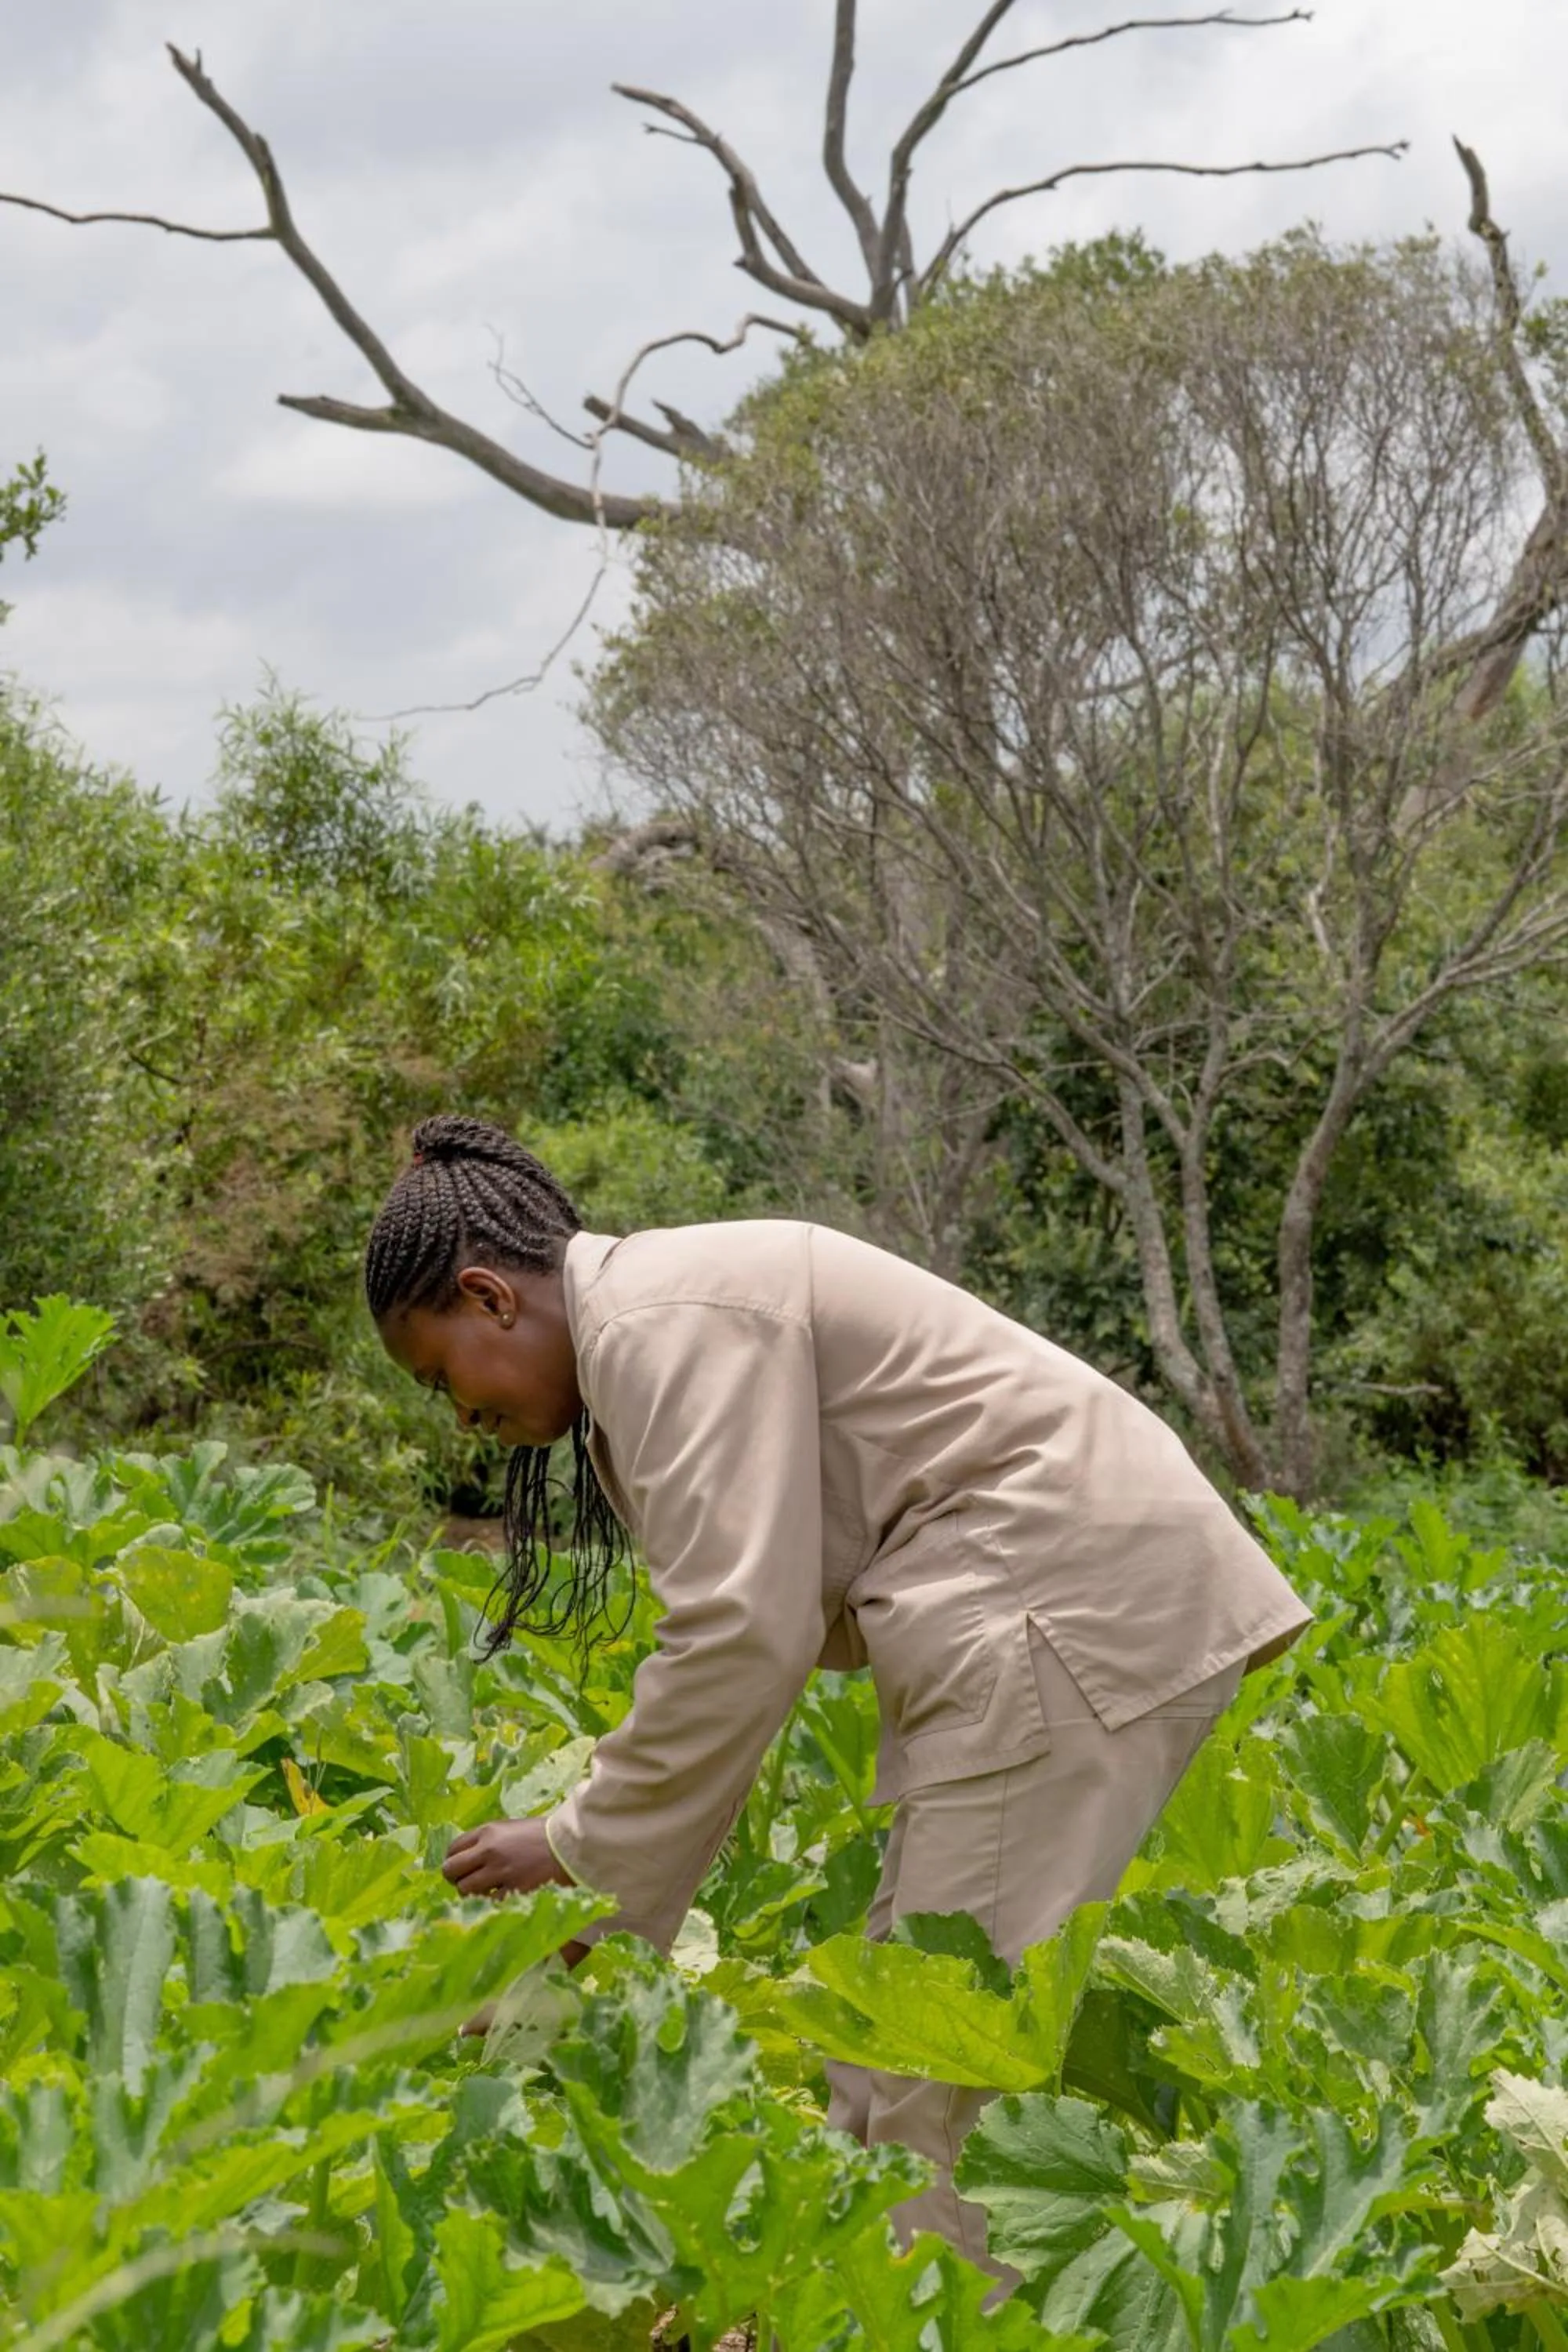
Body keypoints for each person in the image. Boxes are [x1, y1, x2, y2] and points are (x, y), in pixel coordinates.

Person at [365, 1113, 1309, 2268]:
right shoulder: (658, 1317)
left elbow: (738, 1635)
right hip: (1029, 1613)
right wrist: (595, 1894)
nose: (461, 1417)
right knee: (882, 2049)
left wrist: (575, 1857)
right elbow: (752, 1626)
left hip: (1053, 1607)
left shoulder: (662, 1321)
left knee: (934, 2083)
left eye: (438, 1374)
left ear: (489, 1297)